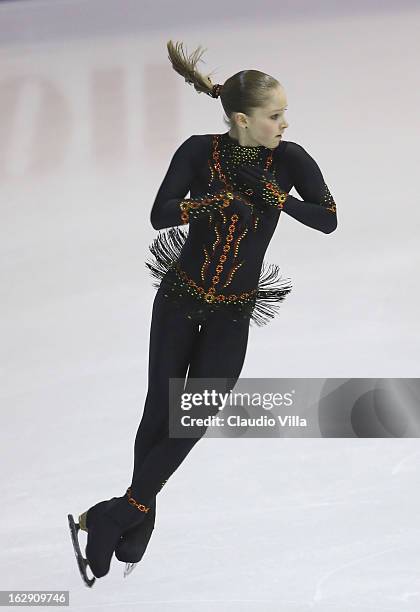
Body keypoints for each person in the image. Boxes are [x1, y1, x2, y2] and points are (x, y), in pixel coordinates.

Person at [68, 39, 338, 586]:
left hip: (234, 310)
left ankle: (115, 516)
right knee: (160, 412)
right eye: (275, 115)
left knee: (195, 414)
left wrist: (276, 198)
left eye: (285, 113)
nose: (285, 123)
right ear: (242, 119)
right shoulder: (197, 151)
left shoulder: (289, 161)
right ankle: (135, 524)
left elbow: (328, 217)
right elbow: (159, 214)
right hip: (180, 299)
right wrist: (206, 203)